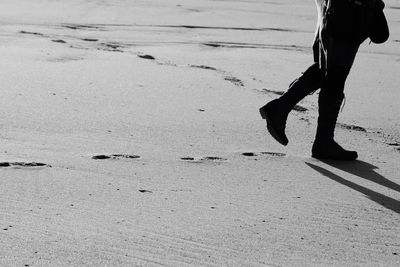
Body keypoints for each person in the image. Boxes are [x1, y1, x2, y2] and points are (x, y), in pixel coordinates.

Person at [259, 0, 389, 160]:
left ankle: (281, 109)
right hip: (348, 9)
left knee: (327, 68)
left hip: (336, 8)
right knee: (336, 73)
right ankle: (323, 141)